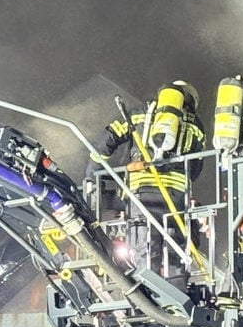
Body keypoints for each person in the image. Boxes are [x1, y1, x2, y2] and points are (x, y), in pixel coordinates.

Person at [85, 81, 205, 282]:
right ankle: (176, 293)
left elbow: (107, 139)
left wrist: (93, 172)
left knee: (144, 246)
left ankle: (147, 292)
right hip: (175, 196)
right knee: (175, 246)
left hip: (142, 192)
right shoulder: (195, 125)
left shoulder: (140, 113)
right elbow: (196, 166)